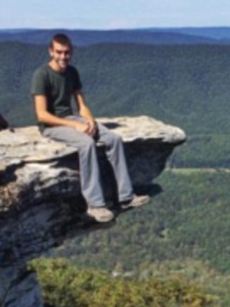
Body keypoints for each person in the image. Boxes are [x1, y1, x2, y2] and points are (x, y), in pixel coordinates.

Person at [32, 33, 148, 222]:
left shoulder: (72, 72)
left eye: (67, 53)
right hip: (51, 125)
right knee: (86, 144)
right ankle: (95, 204)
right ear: (51, 52)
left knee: (114, 139)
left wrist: (90, 121)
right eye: (59, 52)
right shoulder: (41, 75)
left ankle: (126, 197)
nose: (63, 57)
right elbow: (42, 115)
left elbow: (82, 105)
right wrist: (75, 125)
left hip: (72, 118)